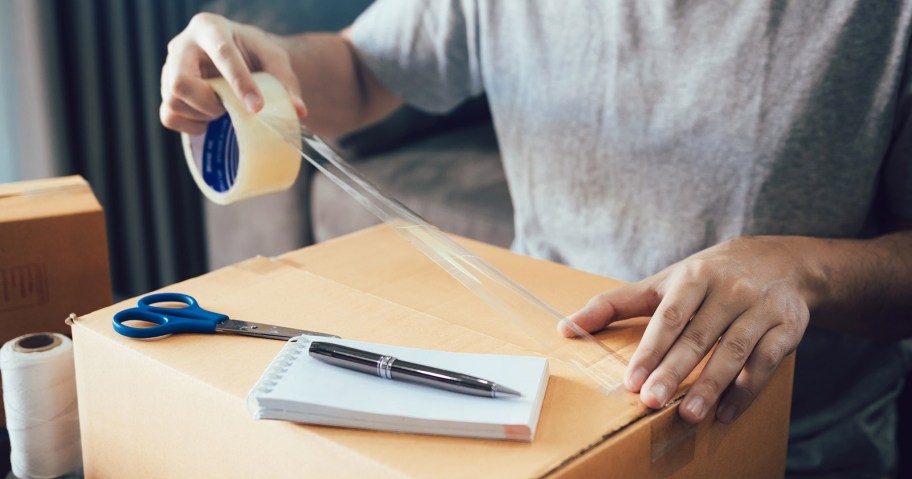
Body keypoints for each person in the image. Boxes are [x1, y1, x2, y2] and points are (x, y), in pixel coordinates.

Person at [160, 2, 912, 476]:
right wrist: (260, 57)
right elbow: (359, 72)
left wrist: (802, 269)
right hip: (547, 414)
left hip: (793, 441)